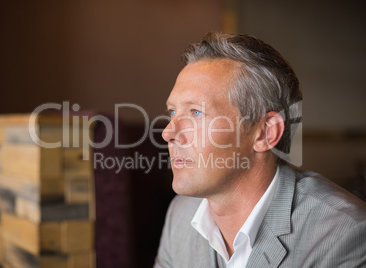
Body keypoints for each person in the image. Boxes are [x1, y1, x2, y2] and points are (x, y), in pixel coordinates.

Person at [154, 32, 366, 268]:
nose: (168, 133)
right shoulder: (180, 214)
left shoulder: (344, 233)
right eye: (172, 112)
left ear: (266, 133)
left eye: (196, 112)